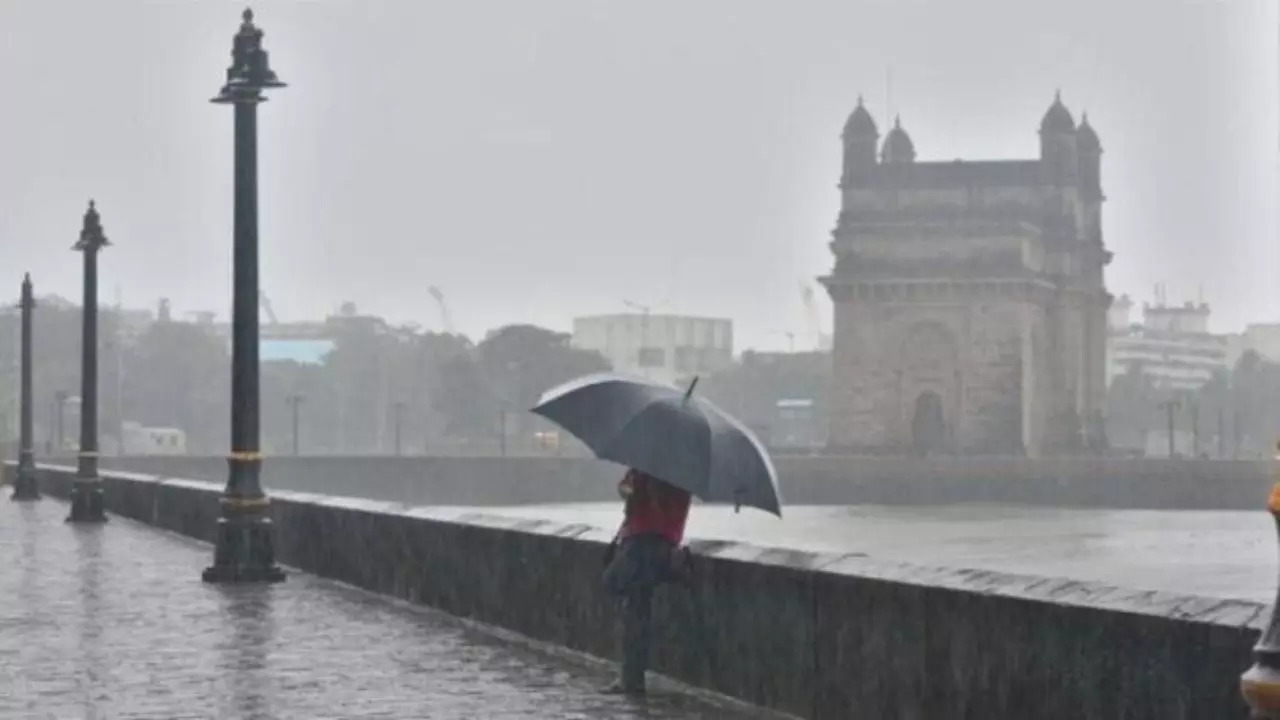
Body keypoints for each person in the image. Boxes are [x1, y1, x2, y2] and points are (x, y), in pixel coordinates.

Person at [600, 467, 692, 696]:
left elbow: (629, 493)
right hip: (662, 543)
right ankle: (633, 676)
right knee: (638, 608)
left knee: (631, 606)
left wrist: (634, 489)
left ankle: (631, 677)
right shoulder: (682, 473)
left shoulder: (649, 469)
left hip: (643, 543)